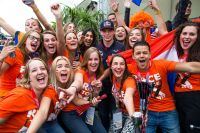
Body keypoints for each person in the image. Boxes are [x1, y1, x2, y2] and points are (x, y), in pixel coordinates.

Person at [128, 41, 200, 133]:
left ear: (150, 54)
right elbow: (112, 67)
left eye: (145, 53)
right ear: (133, 56)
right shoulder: (128, 69)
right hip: (146, 114)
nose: (142, 56)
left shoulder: (161, 64)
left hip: (168, 111)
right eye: (138, 53)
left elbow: (189, 67)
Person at [59, 47, 107, 133]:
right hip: (71, 112)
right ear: (85, 61)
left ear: (99, 61)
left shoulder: (97, 75)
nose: (93, 62)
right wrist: (73, 88)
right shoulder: (80, 71)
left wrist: (96, 92)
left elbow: (91, 98)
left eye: (96, 59)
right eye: (90, 59)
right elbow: (78, 82)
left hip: (86, 110)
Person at [27, 56, 76, 133]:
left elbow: (77, 99)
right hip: (39, 122)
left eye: (67, 66)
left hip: (53, 121)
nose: (64, 69)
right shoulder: (50, 89)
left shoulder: (68, 88)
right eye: (59, 66)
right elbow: (42, 112)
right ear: (53, 71)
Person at [0, 58, 50, 132]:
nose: (39, 72)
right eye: (34, 70)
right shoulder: (20, 95)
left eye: (42, 68)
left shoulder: (45, 94)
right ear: (28, 77)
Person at [96, 19, 125, 131]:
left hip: (116, 87)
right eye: (104, 31)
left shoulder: (121, 47)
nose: (107, 33)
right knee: (103, 114)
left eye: (109, 30)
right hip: (101, 87)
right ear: (100, 32)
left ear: (114, 32)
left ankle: (118, 131)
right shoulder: (96, 47)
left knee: (116, 113)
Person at [0, 30, 45, 97]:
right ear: (24, 40)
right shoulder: (15, 52)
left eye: (38, 40)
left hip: (17, 94)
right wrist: (1, 58)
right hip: (4, 94)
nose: (35, 41)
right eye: (32, 37)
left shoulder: (29, 57)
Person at [174, 22, 200, 133]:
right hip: (176, 98)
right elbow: (164, 33)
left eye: (192, 34)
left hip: (194, 98)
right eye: (184, 33)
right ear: (179, 35)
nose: (187, 37)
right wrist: (157, 11)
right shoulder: (175, 53)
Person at [109, 54, 140, 132]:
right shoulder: (113, 76)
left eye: (122, 64)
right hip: (120, 111)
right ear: (111, 66)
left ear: (125, 67)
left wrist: (133, 118)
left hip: (133, 113)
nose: (118, 67)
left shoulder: (130, 80)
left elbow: (128, 97)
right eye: (115, 64)